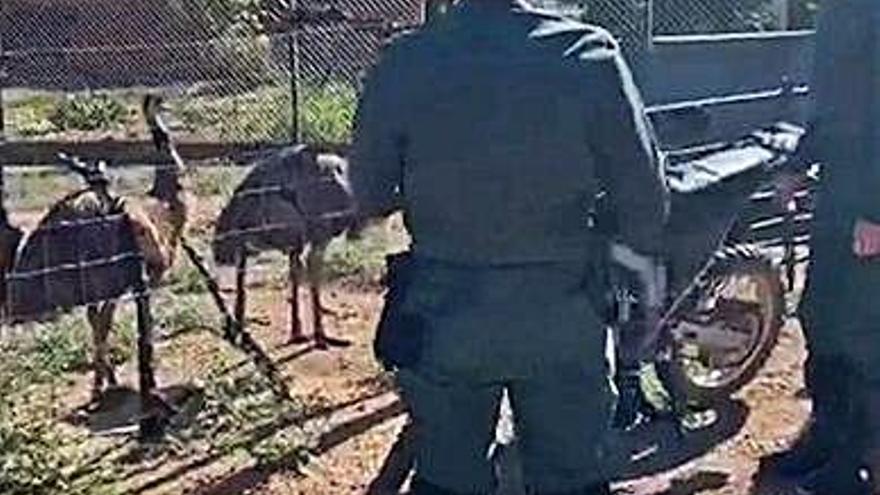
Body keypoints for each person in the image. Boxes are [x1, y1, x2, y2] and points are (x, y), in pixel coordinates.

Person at [349, 1, 668, 494]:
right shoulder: (588, 54)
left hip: (444, 318)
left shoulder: (404, 63)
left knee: (448, 478)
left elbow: (368, 194)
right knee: (572, 478)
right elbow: (645, 201)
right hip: (563, 317)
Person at [761, 0, 880, 492]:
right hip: (840, 192)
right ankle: (828, 438)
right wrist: (797, 164)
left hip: (868, 202)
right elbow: (836, 106)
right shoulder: (841, 12)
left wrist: (876, 209)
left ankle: (857, 462)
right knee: (822, 319)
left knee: (862, 338)